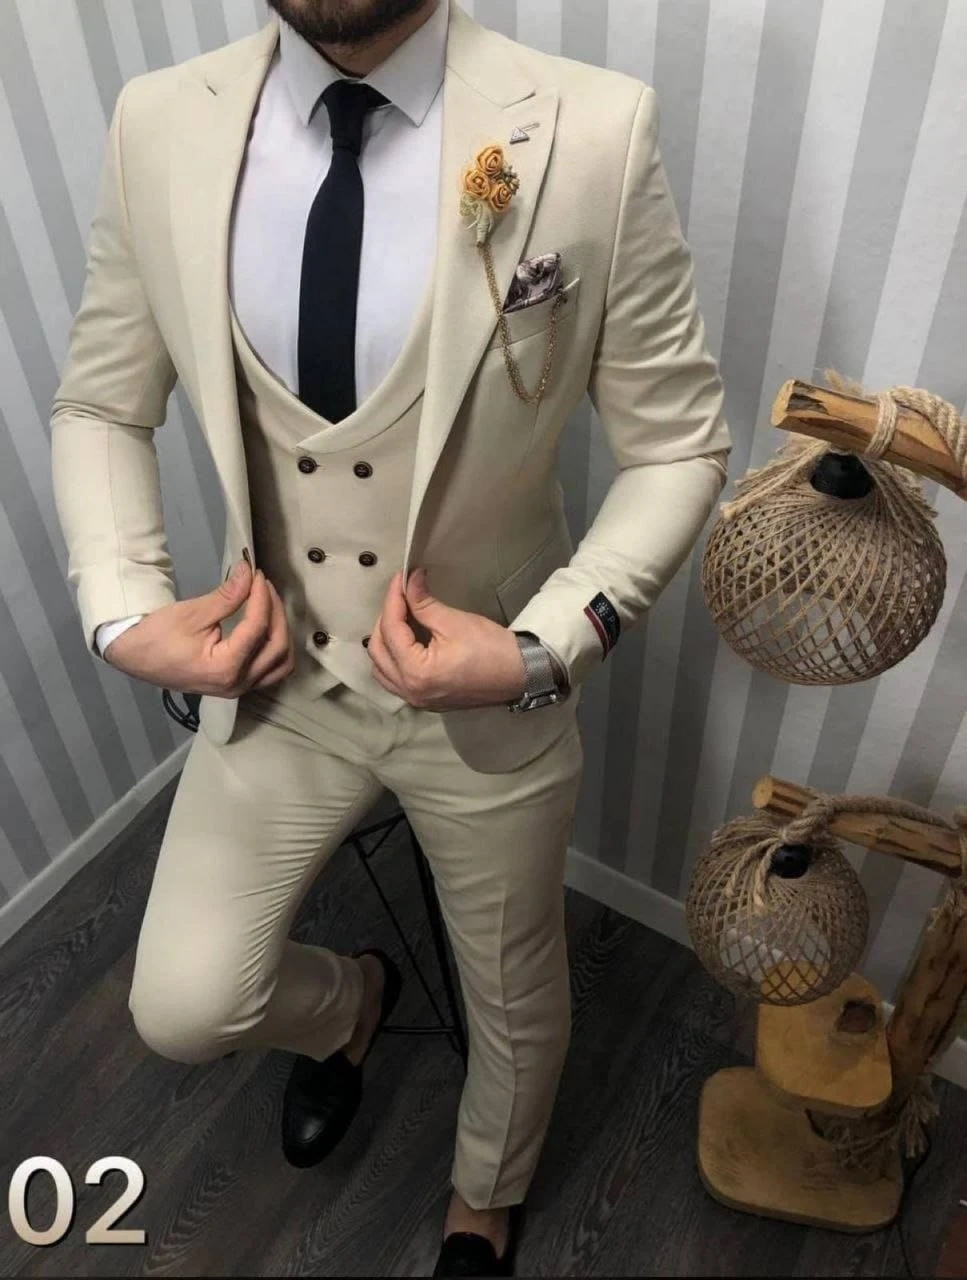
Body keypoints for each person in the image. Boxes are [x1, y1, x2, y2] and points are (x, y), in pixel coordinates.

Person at [49, 0, 731, 1272]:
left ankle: (487, 1190)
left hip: (490, 692)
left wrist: (542, 646)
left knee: (516, 993)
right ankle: (349, 1002)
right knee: (182, 1005)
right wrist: (125, 609)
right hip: (278, 682)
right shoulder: (158, 124)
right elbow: (100, 401)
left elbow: (678, 444)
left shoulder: (592, 129)